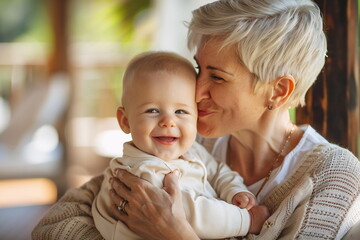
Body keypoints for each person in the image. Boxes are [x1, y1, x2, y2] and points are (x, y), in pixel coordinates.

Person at [32, 0, 360, 239]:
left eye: (216, 78)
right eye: (199, 69)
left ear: (277, 91)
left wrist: (172, 232)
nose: (196, 90)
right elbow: (54, 223)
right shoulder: (182, 142)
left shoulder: (332, 175)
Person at [92, 51, 269, 240]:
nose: (168, 121)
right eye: (152, 110)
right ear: (125, 121)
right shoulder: (141, 172)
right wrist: (246, 219)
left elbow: (218, 171)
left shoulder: (192, 150)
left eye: (181, 111)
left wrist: (235, 190)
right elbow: (188, 216)